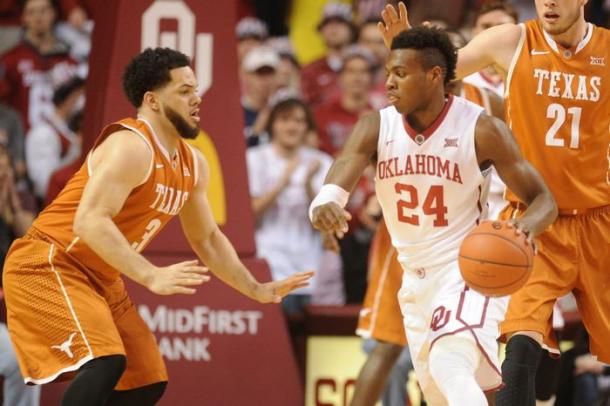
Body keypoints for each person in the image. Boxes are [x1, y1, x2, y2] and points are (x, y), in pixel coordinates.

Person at [2, 47, 313, 405]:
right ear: (151, 100)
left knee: (146, 381)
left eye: (195, 89)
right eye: (184, 91)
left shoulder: (193, 163)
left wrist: (256, 289)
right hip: (49, 261)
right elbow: (89, 221)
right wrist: (150, 275)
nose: (196, 98)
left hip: (100, 277)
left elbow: (208, 238)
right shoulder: (130, 146)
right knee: (106, 362)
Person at [310, 27, 557, 405]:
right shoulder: (376, 125)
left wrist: (524, 227)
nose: (389, 83)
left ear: (434, 76)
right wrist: (326, 202)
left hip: (470, 269)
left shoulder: (483, 129)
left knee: (449, 364)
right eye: (388, 72)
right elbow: (340, 174)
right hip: (414, 280)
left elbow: (543, 200)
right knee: (445, 394)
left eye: (400, 74)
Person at [379, 2, 610, 404]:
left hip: (600, 218)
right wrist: (407, 47)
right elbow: (438, 73)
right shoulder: (512, 40)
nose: (549, 3)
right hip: (533, 221)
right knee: (520, 353)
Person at [246, 97, 331, 317]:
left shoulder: (321, 162)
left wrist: (308, 186)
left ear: (307, 127)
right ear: (272, 124)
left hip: (308, 262)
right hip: (268, 259)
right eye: (284, 120)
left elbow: (324, 224)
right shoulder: (254, 159)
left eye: (299, 121)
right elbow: (248, 214)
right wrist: (282, 183)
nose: (292, 126)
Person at [352, 220, 413, 406]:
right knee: (388, 346)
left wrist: (333, 197)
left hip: (460, 228)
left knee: (470, 346)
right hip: (409, 225)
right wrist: (333, 197)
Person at [0, 0, 80, 131]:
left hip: (66, 140)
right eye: (31, 12)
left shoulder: (71, 60)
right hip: (22, 141)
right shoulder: (9, 61)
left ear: (54, 13)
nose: (38, 17)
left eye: (43, 10)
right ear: (23, 18)